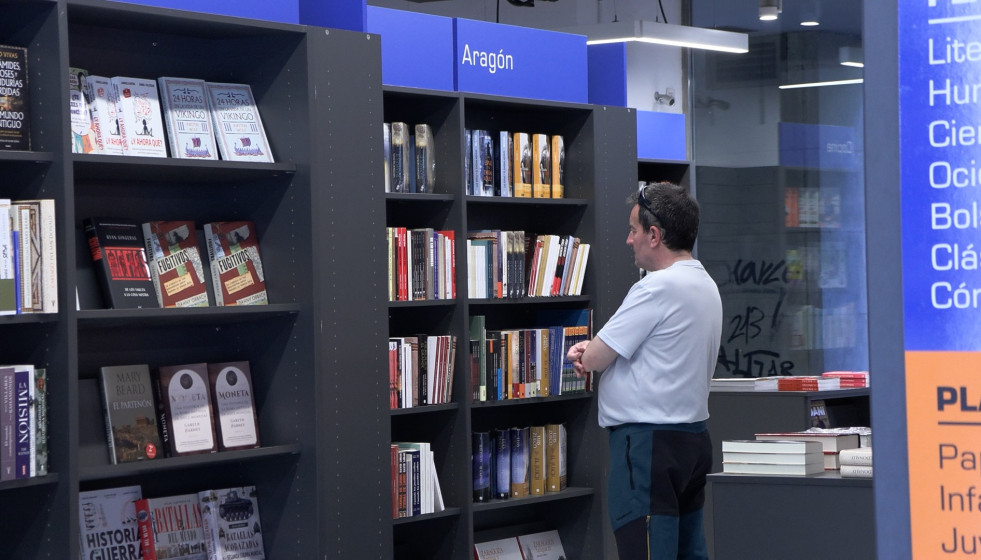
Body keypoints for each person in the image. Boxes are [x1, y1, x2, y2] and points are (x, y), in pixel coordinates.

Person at [566, 181, 722, 560]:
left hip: (648, 447)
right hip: (693, 441)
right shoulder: (706, 284)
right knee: (690, 551)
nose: (628, 239)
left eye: (633, 229)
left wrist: (587, 351)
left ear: (654, 235)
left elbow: (595, 359)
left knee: (646, 550)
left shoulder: (655, 288)